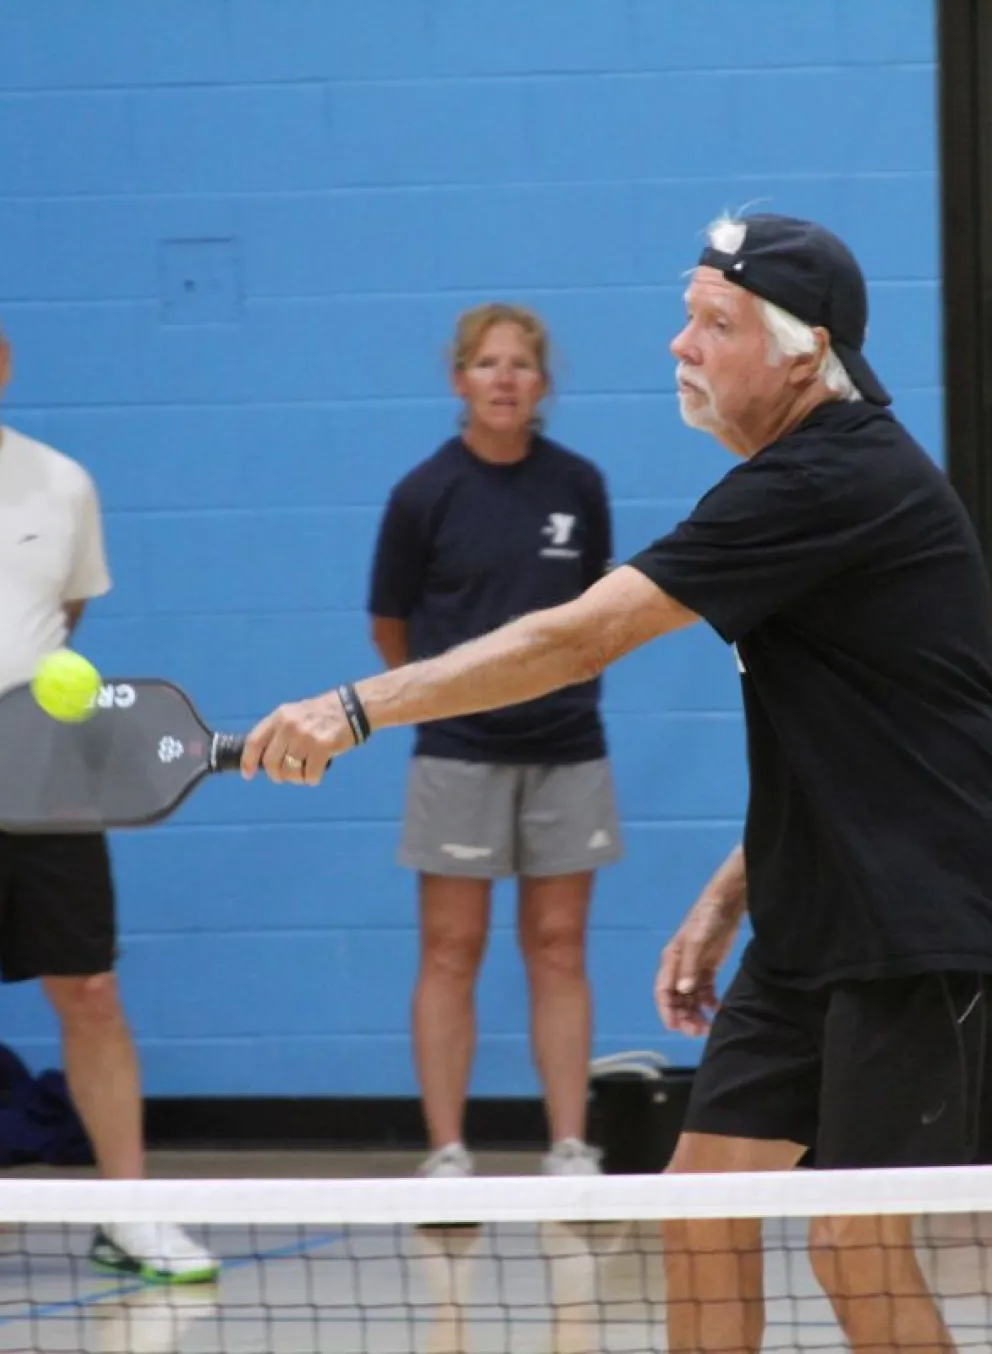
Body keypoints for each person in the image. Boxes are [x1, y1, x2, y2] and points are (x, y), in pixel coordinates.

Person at [243, 211, 992, 1353]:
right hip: (812, 924)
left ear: (802, 349)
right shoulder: (799, 477)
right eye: (685, 315)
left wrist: (354, 708)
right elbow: (874, 737)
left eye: (711, 322)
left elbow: (576, 638)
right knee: (700, 1212)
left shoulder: (831, 475)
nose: (678, 345)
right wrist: (728, 893)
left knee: (851, 1240)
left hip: (920, 930)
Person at [367, 303, 622, 1179]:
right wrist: (447, 702)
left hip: (567, 747)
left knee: (558, 946)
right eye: (487, 363)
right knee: (450, 949)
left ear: (543, 384)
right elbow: (389, 628)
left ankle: (568, 1146)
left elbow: (597, 617)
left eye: (520, 364)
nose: (504, 378)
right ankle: (446, 1151)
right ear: (459, 380)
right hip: (457, 753)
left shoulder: (578, 486)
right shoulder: (423, 494)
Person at [0, 327, 218, 1284]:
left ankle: (128, 1217)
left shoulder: (63, 484)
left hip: (45, 771)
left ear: (4, 361)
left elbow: (64, 618)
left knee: (88, 991)